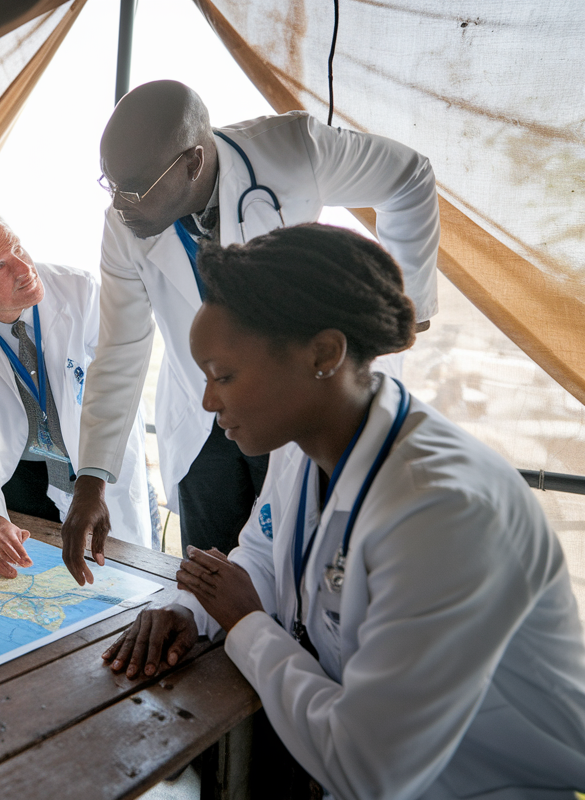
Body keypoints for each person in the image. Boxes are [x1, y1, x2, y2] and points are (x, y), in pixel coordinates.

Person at [104, 225, 585, 799]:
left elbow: (369, 767)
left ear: (323, 354)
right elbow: (259, 553)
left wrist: (245, 625)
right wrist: (194, 609)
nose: (208, 402)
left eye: (224, 375)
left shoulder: (442, 508)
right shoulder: (302, 449)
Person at [63, 79, 441, 585]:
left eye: (134, 190)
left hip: (288, 402)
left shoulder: (294, 150)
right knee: (209, 577)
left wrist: (409, 305)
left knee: (296, 572)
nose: (120, 206)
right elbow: (121, 347)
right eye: (111, 186)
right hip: (206, 422)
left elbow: (409, 176)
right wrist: (92, 478)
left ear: (193, 163)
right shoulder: (124, 223)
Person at [0, 211, 151, 579]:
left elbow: (118, 380)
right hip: (23, 471)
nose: (23, 266)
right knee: (33, 581)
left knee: (120, 573)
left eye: (17, 246)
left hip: (94, 454)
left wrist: (92, 479)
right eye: (0, 265)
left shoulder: (79, 291)